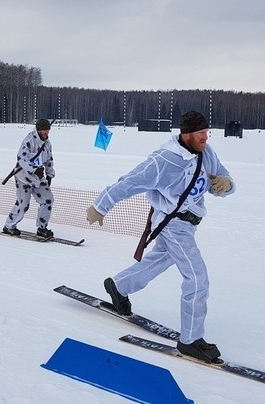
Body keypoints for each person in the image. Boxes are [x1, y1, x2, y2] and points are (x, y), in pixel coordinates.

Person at [86, 110, 235, 363]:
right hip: (173, 224)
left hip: (189, 224)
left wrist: (227, 184)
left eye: (207, 132)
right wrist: (100, 206)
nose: (206, 137)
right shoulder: (164, 160)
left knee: (160, 260)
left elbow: (224, 175)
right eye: (201, 133)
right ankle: (191, 340)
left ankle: (119, 286)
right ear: (186, 133)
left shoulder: (207, 153)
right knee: (197, 277)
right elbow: (129, 182)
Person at [3, 118, 55, 238]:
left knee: (48, 200)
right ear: (38, 130)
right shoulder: (29, 141)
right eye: (44, 130)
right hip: (23, 177)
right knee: (23, 204)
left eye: (48, 130)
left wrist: (50, 174)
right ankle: (9, 226)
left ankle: (42, 228)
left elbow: (49, 160)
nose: (46, 132)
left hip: (38, 178)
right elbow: (21, 159)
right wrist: (34, 169)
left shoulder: (47, 144)